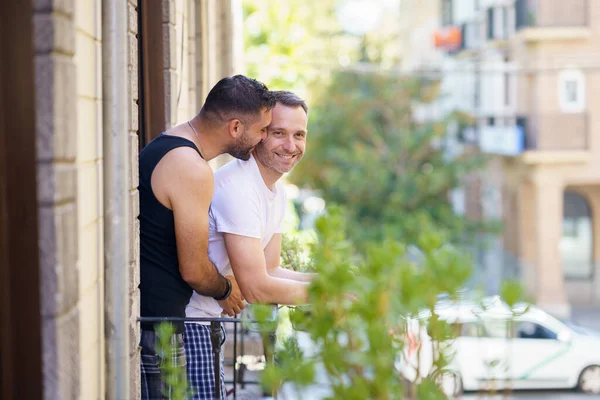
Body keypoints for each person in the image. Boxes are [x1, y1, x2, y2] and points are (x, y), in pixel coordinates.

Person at [138, 75, 276, 399]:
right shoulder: (192, 169)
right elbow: (195, 270)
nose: (262, 139)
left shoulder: (170, 143)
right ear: (236, 127)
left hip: (155, 323)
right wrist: (227, 288)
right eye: (261, 130)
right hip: (157, 330)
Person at [185, 91, 315, 399]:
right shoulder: (238, 187)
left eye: (299, 135)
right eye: (278, 133)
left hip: (212, 324)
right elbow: (256, 288)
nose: (290, 146)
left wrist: (329, 283)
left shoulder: (275, 192)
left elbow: (270, 269)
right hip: (189, 325)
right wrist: (327, 295)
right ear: (259, 134)